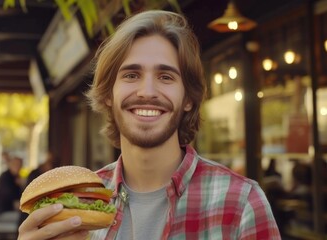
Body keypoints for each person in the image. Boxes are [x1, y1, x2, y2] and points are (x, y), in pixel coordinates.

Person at [18, 10, 280, 239]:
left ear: (188, 98)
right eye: (132, 75)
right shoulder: (77, 202)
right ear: (108, 94)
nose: (147, 91)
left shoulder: (242, 202)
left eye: (166, 77)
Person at [0, 155, 23, 224]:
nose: (18, 167)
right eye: (15, 164)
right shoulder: (5, 178)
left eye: (19, 165)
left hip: (5, 211)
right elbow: (14, 201)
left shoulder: (14, 177)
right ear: (10, 165)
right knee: (23, 218)